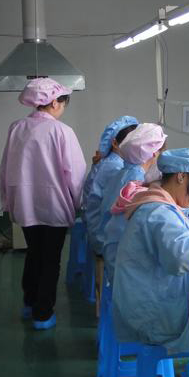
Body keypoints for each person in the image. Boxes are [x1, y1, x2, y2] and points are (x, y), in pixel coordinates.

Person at [112, 148, 189, 352]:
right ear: (181, 176)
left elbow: (185, 230)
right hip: (150, 315)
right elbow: (182, 258)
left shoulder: (158, 203)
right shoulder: (159, 212)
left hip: (142, 300)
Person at [0, 78, 86, 330]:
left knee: (34, 253)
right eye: (63, 103)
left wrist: (8, 200)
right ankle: (43, 314)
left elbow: (5, 168)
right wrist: (80, 202)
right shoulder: (62, 131)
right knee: (50, 260)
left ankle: (29, 303)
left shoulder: (17, 128)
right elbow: (75, 173)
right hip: (54, 205)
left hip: (25, 204)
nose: (62, 108)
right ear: (55, 102)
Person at [82, 116, 138, 312]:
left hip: (98, 225)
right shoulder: (116, 167)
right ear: (114, 143)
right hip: (102, 233)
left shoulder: (112, 162)